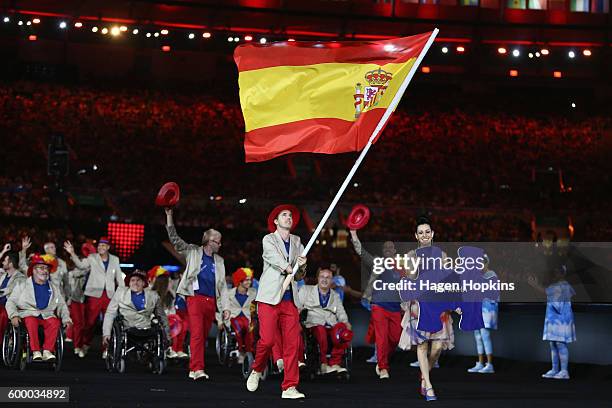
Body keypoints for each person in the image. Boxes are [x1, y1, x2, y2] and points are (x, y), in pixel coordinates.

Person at [246, 204, 307, 399]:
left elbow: (299, 276)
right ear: (275, 221)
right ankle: (256, 370)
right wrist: (289, 267)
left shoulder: (298, 241)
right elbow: (272, 258)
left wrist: (302, 267)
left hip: (290, 300)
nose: (288, 217)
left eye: (290, 215)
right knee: (268, 340)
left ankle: (289, 387)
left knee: (292, 345)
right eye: (284, 215)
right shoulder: (269, 239)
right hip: (270, 297)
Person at [164, 207, 230, 381]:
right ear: (209, 241)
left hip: (211, 301)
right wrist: (170, 216)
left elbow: (222, 287)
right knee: (197, 334)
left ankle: (195, 366)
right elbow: (175, 240)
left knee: (203, 334)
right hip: (194, 298)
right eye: (218, 241)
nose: (220, 245)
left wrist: (226, 308)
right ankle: (197, 369)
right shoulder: (193, 252)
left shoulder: (220, 261)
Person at [399, 216, 454, 401]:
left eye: (427, 232)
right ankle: (428, 386)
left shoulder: (442, 255)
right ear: (416, 235)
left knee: (437, 347)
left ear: (432, 234)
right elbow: (410, 278)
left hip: (438, 304)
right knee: (422, 345)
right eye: (420, 232)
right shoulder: (410, 256)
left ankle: (425, 376)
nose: (424, 235)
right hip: (419, 305)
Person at [350, 229, 402, 379]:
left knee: (395, 338)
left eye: (390, 247)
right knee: (382, 337)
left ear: (395, 250)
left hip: (395, 307)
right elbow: (361, 251)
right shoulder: (376, 263)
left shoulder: (401, 267)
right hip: (378, 305)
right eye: (385, 248)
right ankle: (383, 367)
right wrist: (354, 234)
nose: (388, 250)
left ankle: (383, 358)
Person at [64, 237, 124, 359]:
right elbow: (81, 265)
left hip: (109, 295)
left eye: (103, 246)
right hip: (94, 295)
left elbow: (119, 277)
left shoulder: (115, 259)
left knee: (108, 323)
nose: (100, 247)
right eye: (99, 246)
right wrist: (72, 253)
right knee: (90, 323)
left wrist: (123, 292)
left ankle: (106, 349)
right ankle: (85, 344)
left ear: (108, 247)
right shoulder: (92, 258)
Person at [6, 254, 72, 361]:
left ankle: (47, 351)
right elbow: (11, 302)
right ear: (33, 270)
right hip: (28, 314)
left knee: (55, 322)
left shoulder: (53, 287)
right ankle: (35, 351)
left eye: (46, 268)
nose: (45, 271)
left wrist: (66, 318)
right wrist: (13, 315)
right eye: (41, 268)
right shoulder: (22, 284)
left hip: (46, 315)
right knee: (31, 321)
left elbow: (61, 305)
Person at [298, 267, 352, 374]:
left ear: (332, 280)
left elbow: (341, 313)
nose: (324, 279)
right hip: (313, 324)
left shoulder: (335, 295)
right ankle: (323, 364)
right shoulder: (306, 290)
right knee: (320, 331)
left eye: (328, 278)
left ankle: (334, 363)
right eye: (322, 277)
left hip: (331, 325)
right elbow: (297, 307)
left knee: (344, 332)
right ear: (317, 278)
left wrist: (346, 323)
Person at [528, 264, 576, 380]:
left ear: (561, 273)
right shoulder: (557, 285)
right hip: (553, 318)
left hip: (561, 320)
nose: (554, 274)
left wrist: (534, 285)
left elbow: (545, 292)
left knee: (560, 343)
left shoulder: (563, 286)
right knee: (553, 344)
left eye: (557, 272)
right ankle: (555, 369)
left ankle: (564, 371)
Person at [102, 269, 170, 348]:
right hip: (127, 328)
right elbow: (110, 313)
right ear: (129, 283)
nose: (135, 283)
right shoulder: (120, 293)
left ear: (143, 283)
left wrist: (167, 336)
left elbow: (162, 316)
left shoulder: (153, 296)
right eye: (133, 280)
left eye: (138, 280)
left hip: (146, 328)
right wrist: (107, 333)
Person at [467, 255, 499, 374]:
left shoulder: (492, 275)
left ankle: (490, 364)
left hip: (487, 310)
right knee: (478, 336)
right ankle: (480, 362)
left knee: (485, 336)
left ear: (486, 263)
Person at [226, 267, 256, 364]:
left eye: (249, 279)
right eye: (246, 280)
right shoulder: (229, 293)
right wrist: (220, 320)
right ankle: (241, 351)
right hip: (234, 318)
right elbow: (224, 308)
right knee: (239, 327)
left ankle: (249, 352)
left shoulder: (253, 293)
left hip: (248, 318)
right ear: (239, 281)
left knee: (250, 329)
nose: (249, 282)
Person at [0, 244, 26, 347]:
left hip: (11, 307)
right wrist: (3, 251)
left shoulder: (20, 277)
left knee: (2, 314)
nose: (2, 262)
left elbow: (11, 292)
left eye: (5, 261)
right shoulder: (2, 275)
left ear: (10, 263)